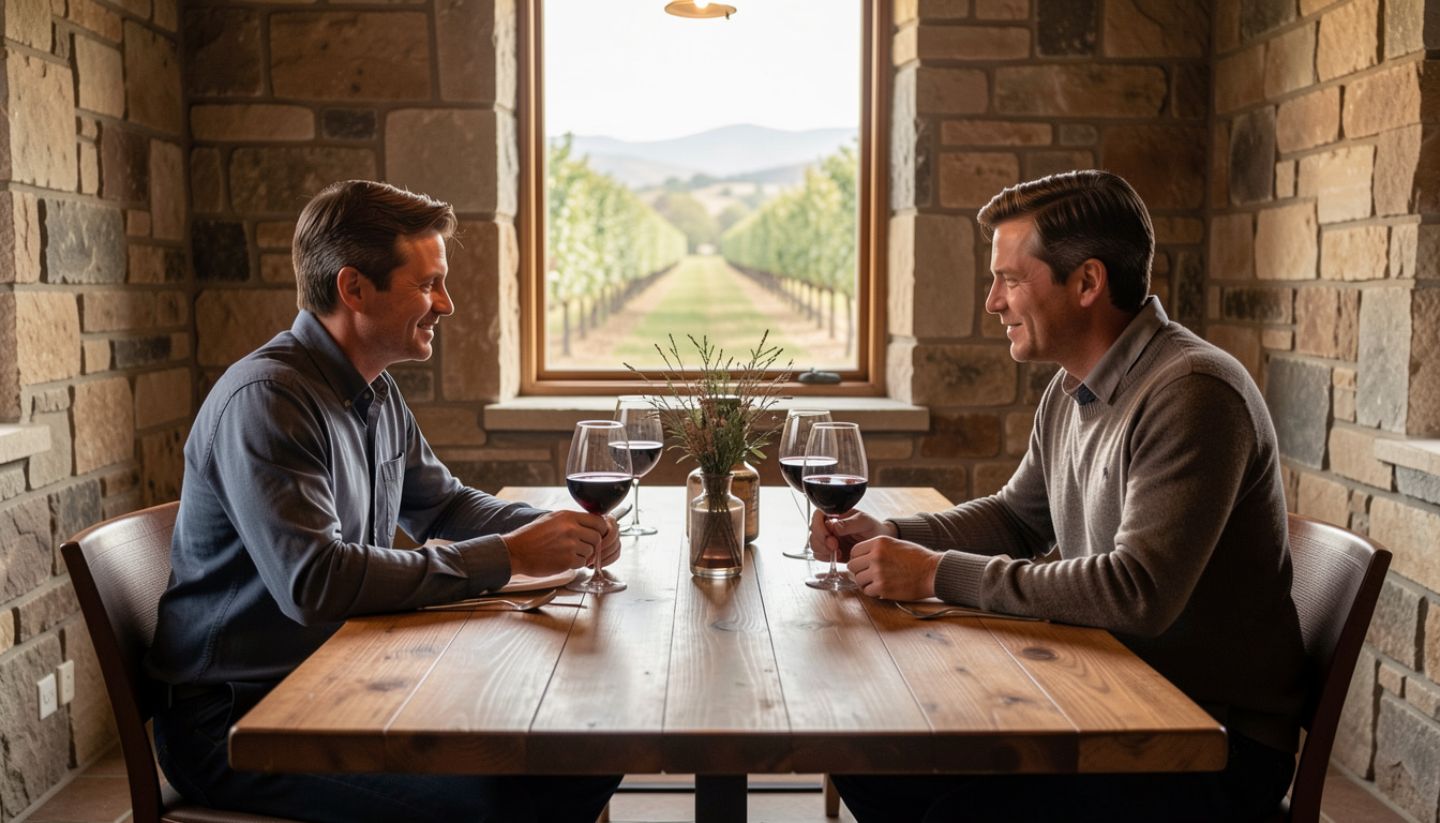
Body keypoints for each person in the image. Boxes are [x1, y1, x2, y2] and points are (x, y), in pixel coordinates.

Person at [814, 170, 1305, 822]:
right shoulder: (1072, 385)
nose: (993, 302)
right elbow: (1018, 517)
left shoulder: (1193, 391)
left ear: (1087, 283)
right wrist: (897, 534)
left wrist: (935, 573)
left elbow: (1137, 591)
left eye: (1011, 280)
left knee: (949, 810)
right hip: (1108, 693)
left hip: (1204, 740)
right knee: (868, 757)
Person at [147, 180, 622, 822]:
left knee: (580, 750)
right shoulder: (268, 400)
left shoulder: (375, 391)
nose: (446, 305)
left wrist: (552, 529)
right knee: (516, 792)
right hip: (243, 723)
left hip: (339, 684)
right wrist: (508, 556)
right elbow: (316, 584)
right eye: (428, 284)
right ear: (353, 288)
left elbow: (444, 506)